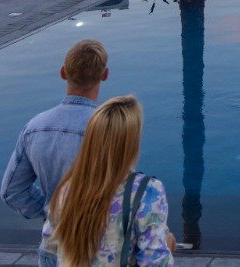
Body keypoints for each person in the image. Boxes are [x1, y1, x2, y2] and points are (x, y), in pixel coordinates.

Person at [39, 95, 174, 267]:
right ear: (130, 144)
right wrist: (167, 242)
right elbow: (156, 263)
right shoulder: (148, 192)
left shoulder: (68, 187)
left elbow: (50, 244)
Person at [1, 39, 110, 221]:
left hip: (54, 241)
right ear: (105, 75)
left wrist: (51, 213)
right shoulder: (111, 129)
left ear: (63, 73)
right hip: (100, 242)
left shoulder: (34, 128)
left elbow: (11, 192)